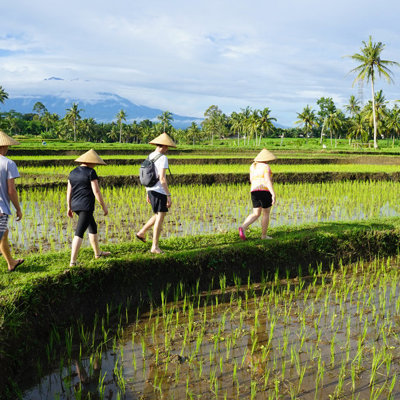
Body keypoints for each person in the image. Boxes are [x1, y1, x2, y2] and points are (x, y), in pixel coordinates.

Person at [67, 149, 110, 266]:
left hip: (75, 205)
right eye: (95, 163)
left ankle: (98, 254)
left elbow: (69, 191)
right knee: (79, 232)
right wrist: (104, 207)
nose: (95, 165)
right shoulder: (91, 172)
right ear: (90, 162)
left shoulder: (72, 172)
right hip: (86, 206)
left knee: (93, 226)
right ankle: (73, 262)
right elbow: (96, 191)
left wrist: (68, 206)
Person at [136, 132, 176, 254]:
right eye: (167, 147)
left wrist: (147, 192)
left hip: (150, 190)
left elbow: (145, 175)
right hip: (159, 191)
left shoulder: (150, 156)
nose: (167, 149)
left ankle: (142, 232)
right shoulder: (163, 158)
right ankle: (154, 247)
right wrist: (168, 195)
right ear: (164, 146)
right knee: (160, 218)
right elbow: (162, 178)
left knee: (159, 214)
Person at [239, 148, 276, 240]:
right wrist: (273, 193)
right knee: (266, 213)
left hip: (254, 191)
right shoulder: (266, 167)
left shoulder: (252, 166)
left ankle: (243, 227)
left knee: (256, 213)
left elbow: (251, 180)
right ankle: (264, 236)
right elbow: (267, 181)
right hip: (264, 191)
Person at [0, 131, 24, 272]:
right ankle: (11, 262)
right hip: (1, 209)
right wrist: (18, 209)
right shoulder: (8, 163)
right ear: (5, 146)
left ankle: (11, 262)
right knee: (1, 234)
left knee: (4, 233)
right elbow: (11, 191)